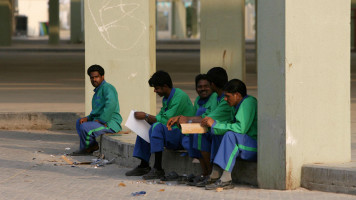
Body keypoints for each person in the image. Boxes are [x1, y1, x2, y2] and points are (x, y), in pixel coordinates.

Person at [167, 67, 235, 186]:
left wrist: (183, 118)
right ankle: (206, 172)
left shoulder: (223, 99)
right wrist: (183, 119)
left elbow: (207, 118)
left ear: (212, 84)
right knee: (194, 131)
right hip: (215, 128)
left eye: (207, 84)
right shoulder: (216, 97)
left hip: (224, 131)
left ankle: (210, 173)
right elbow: (206, 117)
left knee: (200, 132)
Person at [125, 70, 194, 179]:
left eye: (156, 88)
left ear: (165, 86)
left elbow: (166, 120)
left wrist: (146, 116)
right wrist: (146, 119)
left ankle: (158, 168)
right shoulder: (166, 99)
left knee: (156, 127)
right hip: (172, 132)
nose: (155, 91)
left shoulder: (179, 96)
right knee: (144, 127)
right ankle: (144, 165)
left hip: (183, 134)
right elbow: (161, 117)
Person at [202, 79, 257, 190]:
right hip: (244, 143)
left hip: (254, 146)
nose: (225, 99)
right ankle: (215, 174)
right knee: (218, 133)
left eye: (227, 96)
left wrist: (215, 125)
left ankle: (226, 179)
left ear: (237, 95)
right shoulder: (235, 105)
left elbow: (240, 128)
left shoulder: (249, 102)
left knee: (229, 135)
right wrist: (215, 125)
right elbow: (230, 125)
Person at [71, 64, 122, 156]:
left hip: (110, 123)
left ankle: (86, 149)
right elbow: (96, 111)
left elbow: (111, 105)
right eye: (91, 78)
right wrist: (88, 118)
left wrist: (103, 120)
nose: (94, 80)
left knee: (85, 127)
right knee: (80, 122)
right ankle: (92, 146)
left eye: (96, 77)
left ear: (102, 76)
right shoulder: (98, 91)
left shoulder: (108, 88)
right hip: (100, 121)